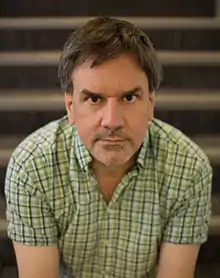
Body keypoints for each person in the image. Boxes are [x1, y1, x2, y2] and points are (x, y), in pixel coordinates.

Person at [5, 17, 212, 278]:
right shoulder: (32, 166)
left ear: (150, 103)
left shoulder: (188, 167)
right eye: (94, 98)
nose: (112, 121)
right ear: (70, 106)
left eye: (129, 97)